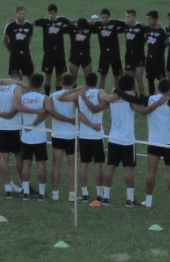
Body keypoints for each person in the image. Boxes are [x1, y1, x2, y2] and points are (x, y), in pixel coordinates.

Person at [114, 79, 170, 210]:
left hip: (153, 142)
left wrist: (117, 91)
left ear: (157, 87)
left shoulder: (149, 99)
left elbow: (131, 98)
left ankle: (148, 200)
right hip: (169, 143)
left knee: (150, 173)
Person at [83, 74, 159, 207]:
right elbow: (140, 110)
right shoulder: (130, 99)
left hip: (113, 138)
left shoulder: (113, 97)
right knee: (128, 168)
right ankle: (130, 199)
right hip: (127, 139)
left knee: (110, 167)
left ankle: (105, 197)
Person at [18, 74, 57, 201]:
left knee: (26, 163)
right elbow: (50, 111)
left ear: (30, 83)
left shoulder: (22, 97)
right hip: (39, 136)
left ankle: (25, 192)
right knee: (40, 164)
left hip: (25, 135)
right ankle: (41, 193)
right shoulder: (44, 98)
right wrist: (37, 121)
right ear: (41, 84)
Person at [49, 75, 86, 201]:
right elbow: (78, 111)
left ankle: (55, 193)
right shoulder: (74, 96)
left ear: (60, 82)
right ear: (74, 83)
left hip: (57, 134)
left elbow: (50, 111)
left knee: (56, 165)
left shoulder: (53, 96)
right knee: (72, 166)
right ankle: (72, 194)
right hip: (72, 135)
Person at [75, 73, 109, 201]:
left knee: (83, 164)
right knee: (98, 165)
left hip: (83, 134)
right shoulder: (99, 92)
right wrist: (94, 126)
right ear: (97, 82)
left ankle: (85, 193)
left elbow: (79, 114)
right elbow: (97, 108)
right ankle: (99, 194)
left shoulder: (79, 94)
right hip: (97, 135)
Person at [0, 71, 28, 197]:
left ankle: (7, 187)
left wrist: (0, 114)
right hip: (14, 127)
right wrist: (7, 115)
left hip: (1, 127)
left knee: (4, 157)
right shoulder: (16, 88)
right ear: (19, 79)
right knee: (19, 156)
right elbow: (16, 107)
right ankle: (25, 187)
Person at [34, 4, 71, 94]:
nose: (51, 15)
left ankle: (57, 95)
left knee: (59, 76)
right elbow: (33, 22)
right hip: (48, 54)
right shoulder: (45, 22)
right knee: (48, 76)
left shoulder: (62, 21)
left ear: (56, 13)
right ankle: (47, 96)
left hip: (59, 54)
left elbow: (70, 22)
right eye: (50, 14)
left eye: (53, 13)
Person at [94, 9, 125, 90]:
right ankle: (100, 94)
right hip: (104, 54)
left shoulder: (114, 23)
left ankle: (117, 94)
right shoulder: (98, 25)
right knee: (102, 75)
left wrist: (119, 30)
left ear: (109, 17)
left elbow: (125, 24)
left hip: (115, 53)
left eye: (106, 17)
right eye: (102, 17)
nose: (104, 19)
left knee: (117, 76)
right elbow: (88, 26)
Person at [3, 6, 35, 77]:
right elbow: (5, 40)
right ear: (16, 14)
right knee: (14, 75)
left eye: (23, 13)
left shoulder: (29, 26)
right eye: (19, 13)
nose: (21, 15)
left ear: (25, 14)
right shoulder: (10, 26)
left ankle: (32, 88)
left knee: (30, 74)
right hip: (15, 54)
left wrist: (25, 47)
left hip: (25, 53)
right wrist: (11, 49)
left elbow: (29, 39)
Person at [123, 9, 148, 95]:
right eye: (126, 17)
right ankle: (134, 96)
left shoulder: (141, 27)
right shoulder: (125, 26)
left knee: (139, 78)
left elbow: (150, 33)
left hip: (139, 56)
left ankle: (142, 98)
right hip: (129, 56)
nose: (126, 19)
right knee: (130, 79)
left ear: (134, 17)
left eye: (128, 17)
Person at [144, 11, 167, 96]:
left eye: (150, 19)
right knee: (150, 80)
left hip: (159, 59)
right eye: (148, 19)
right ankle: (152, 98)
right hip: (149, 60)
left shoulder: (161, 31)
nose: (148, 21)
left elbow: (167, 41)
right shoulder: (147, 29)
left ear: (156, 19)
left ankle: (163, 98)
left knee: (162, 80)